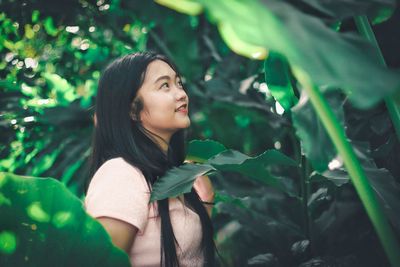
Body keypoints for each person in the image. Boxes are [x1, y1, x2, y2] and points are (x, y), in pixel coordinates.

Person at [84, 51, 216, 267]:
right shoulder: (121, 174)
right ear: (132, 110)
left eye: (179, 83)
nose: (181, 94)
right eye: (165, 85)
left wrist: (206, 200)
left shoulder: (172, 175)